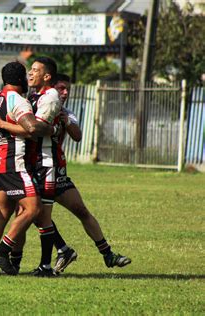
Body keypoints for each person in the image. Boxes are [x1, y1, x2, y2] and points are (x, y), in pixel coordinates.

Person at [0, 61, 60, 276]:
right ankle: (2, 250)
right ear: (20, 79)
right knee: (33, 208)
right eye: (27, 74)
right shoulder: (18, 101)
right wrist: (50, 129)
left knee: (2, 213)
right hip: (14, 162)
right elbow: (31, 128)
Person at [49, 73, 131, 272]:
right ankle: (59, 251)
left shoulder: (67, 113)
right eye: (61, 88)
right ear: (50, 88)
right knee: (33, 213)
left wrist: (65, 120)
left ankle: (108, 255)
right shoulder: (35, 106)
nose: (65, 92)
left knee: (81, 211)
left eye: (67, 89)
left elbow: (77, 135)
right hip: (36, 172)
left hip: (58, 173)